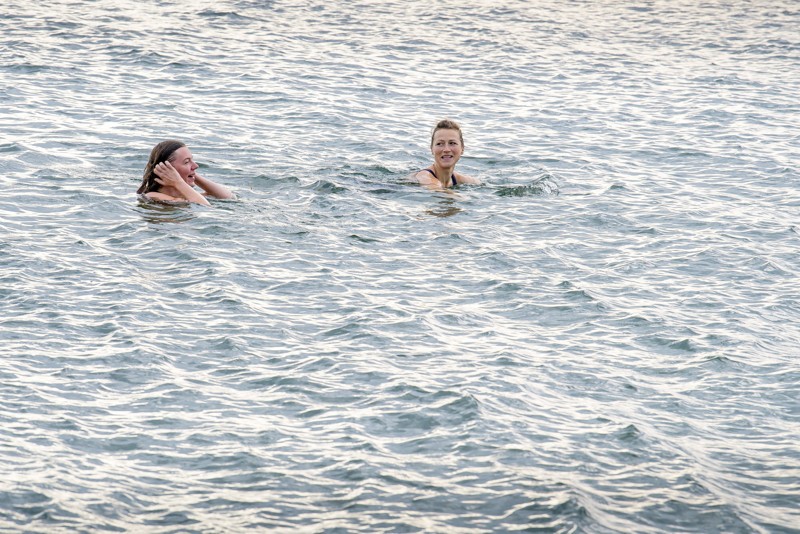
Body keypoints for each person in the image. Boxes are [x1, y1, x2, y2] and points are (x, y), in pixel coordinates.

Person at [137, 140, 233, 206]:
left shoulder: (186, 195)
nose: (196, 166)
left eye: (192, 160)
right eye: (187, 162)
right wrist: (178, 182)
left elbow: (228, 197)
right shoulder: (153, 196)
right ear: (168, 170)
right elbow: (204, 206)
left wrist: (192, 173)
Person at [415, 119, 480, 189]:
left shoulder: (459, 179)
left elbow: (478, 183)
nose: (446, 149)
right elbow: (437, 190)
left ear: (462, 148)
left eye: (452, 143)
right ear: (431, 149)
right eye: (439, 144)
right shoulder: (424, 177)